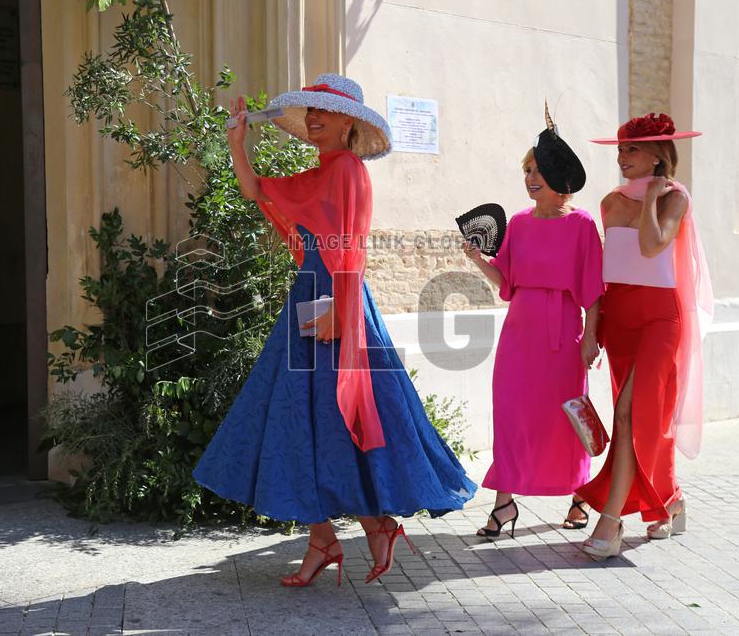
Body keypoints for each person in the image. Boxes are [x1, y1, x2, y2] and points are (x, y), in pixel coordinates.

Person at [193, 74, 476, 587]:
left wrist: (341, 313)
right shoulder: (318, 172)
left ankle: (365, 527)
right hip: (311, 298)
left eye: (324, 110)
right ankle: (333, 536)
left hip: (336, 302)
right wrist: (237, 143)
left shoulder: (347, 169)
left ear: (349, 123)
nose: (314, 117)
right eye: (310, 110)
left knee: (331, 415)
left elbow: (352, 245)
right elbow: (254, 189)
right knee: (297, 417)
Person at [464, 106, 604, 538]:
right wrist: (479, 260)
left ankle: (580, 495)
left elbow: (594, 291)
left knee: (564, 416)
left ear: (558, 176)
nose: (529, 177)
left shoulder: (582, 224)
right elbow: (506, 282)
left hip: (563, 332)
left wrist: (591, 339)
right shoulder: (519, 223)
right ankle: (504, 503)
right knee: (511, 415)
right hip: (519, 331)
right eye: (526, 170)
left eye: (537, 170)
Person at [577, 113, 712, 559]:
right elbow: (605, 272)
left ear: (657, 154)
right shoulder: (609, 202)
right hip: (619, 318)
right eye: (620, 149)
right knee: (646, 419)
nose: (622, 157)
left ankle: (611, 521)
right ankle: (670, 499)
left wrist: (654, 196)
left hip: (660, 319)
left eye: (632, 149)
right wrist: (592, 327)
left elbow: (653, 246)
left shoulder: (675, 198)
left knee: (629, 415)